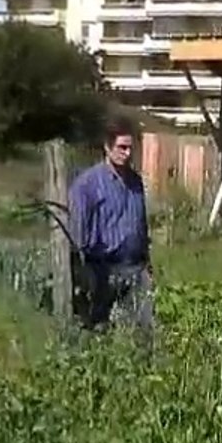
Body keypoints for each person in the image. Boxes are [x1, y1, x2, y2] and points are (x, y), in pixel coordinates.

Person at [68, 117, 154, 348]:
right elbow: (78, 231)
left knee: (144, 326)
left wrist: (147, 259)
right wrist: (82, 268)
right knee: (99, 327)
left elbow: (141, 222)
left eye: (130, 148)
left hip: (135, 266)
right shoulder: (88, 184)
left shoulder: (135, 182)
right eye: (121, 148)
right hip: (103, 268)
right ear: (107, 147)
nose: (126, 153)